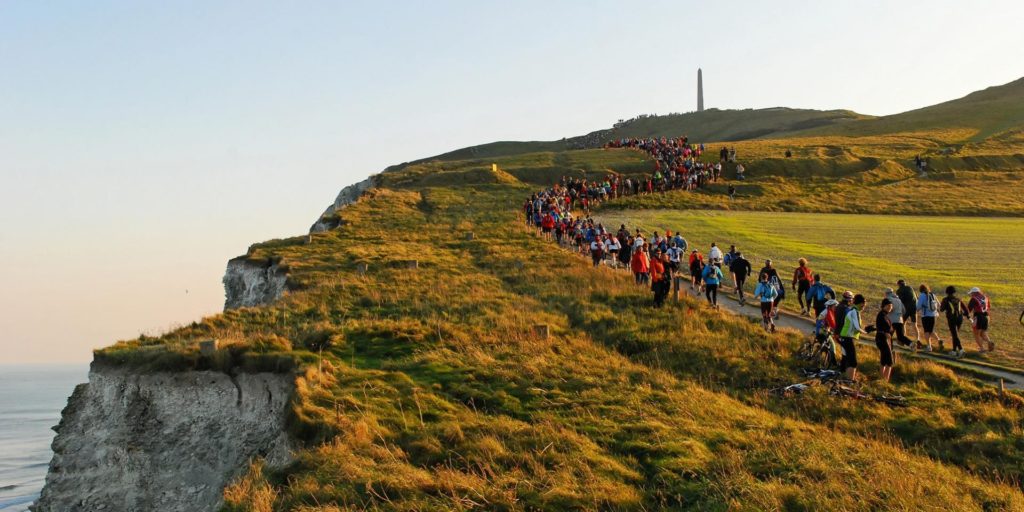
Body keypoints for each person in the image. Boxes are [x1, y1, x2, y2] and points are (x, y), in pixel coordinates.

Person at [838, 294, 869, 380]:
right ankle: (849, 380)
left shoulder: (853, 310)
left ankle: (846, 378)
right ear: (860, 303)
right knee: (853, 362)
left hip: (846, 337)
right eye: (863, 305)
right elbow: (857, 327)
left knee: (849, 359)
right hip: (846, 337)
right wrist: (866, 332)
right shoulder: (854, 311)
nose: (864, 307)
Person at [939, 286, 969, 356]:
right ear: (954, 292)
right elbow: (966, 310)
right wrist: (964, 314)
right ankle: (954, 351)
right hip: (960, 318)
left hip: (951, 319)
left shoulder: (945, 300)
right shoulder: (958, 299)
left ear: (947, 292)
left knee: (955, 335)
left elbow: (941, 309)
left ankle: (961, 350)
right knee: (955, 335)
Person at [915, 284, 944, 354]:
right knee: (931, 330)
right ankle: (939, 340)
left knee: (926, 331)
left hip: (925, 315)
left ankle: (929, 346)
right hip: (934, 315)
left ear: (920, 289)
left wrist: (916, 309)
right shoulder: (933, 295)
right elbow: (939, 305)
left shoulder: (922, 295)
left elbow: (918, 307)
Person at [967, 287, 993, 353]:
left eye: (971, 293)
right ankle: (989, 342)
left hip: (979, 317)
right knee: (982, 333)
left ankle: (982, 349)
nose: (971, 295)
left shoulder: (973, 298)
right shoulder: (986, 297)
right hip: (987, 317)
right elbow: (988, 307)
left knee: (976, 334)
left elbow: (968, 309)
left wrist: (966, 314)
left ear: (974, 293)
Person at [875, 298, 896, 382]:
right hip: (882, 340)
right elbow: (882, 327)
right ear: (883, 306)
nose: (890, 307)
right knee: (890, 361)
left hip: (883, 339)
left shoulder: (884, 315)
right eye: (888, 306)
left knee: (884, 360)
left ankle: (881, 378)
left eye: (891, 306)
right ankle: (885, 380)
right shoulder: (882, 315)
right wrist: (885, 332)